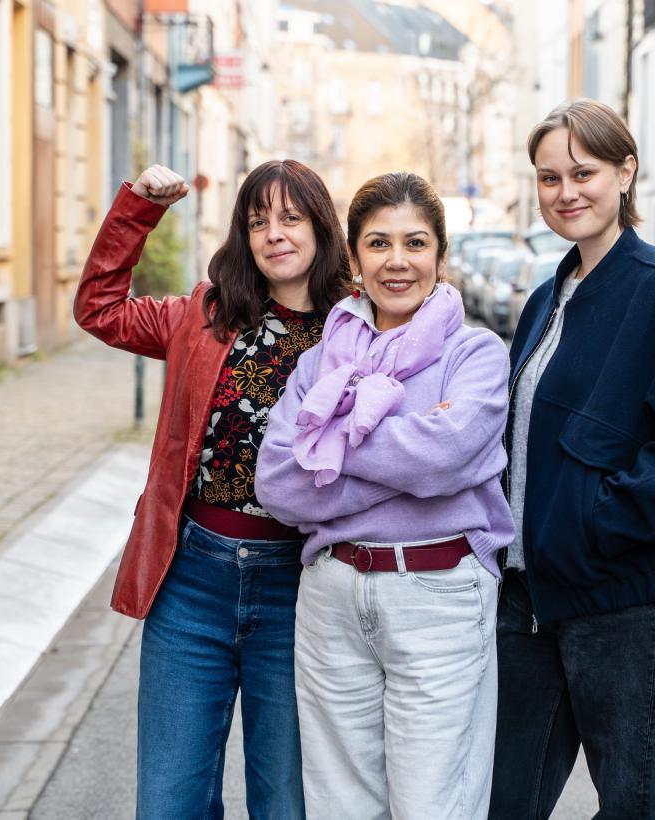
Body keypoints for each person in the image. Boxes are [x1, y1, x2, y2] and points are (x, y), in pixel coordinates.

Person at [489, 99, 655, 819]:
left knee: (633, 805)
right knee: (500, 802)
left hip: (629, 609)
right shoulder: (545, 298)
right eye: (547, 177)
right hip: (531, 604)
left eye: (584, 171)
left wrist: (592, 528)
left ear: (625, 172)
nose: (566, 191)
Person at [73, 160, 349, 819]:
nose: (274, 234)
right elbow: (99, 309)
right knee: (169, 803)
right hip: (191, 582)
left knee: (286, 802)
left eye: (290, 217)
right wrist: (138, 210)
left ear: (319, 227)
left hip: (299, 589)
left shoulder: (354, 330)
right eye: (258, 221)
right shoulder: (205, 314)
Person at [255, 172, 515, 820]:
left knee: (434, 805)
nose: (397, 262)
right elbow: (278, 484)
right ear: (353, 258)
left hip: (439, 594)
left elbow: (446, 455)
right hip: (333, 599)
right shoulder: (320, 364)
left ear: (441, 255)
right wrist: (412, 466)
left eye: (415, 243)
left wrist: (330, 448)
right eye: (378, 243)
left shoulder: (475, 354)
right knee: (341, 805)